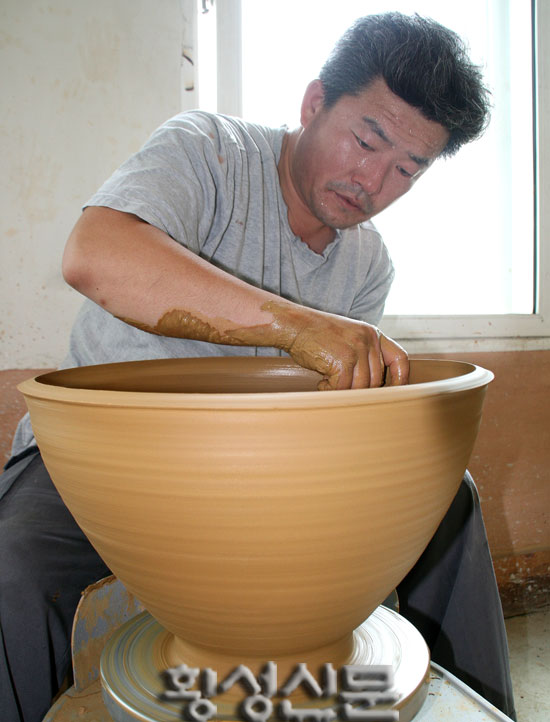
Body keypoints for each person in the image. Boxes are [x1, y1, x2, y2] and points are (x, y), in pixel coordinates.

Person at [0, 12, 516, 722]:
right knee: (12, 566)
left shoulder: (367, 263)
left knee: (449, 497)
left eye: (407, 168)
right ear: (314, 103)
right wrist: (297, 327)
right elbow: (95, 255)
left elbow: (340, 415)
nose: (372, 180)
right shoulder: (209, 153)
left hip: (267, 467)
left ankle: (473, 707)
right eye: (367, 140)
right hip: (104, 458)